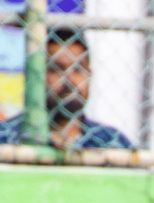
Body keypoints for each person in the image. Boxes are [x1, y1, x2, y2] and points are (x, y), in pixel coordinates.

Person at [0, 26, 133, 149]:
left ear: (89, 74)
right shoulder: (6, 137)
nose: (69, 80)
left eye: (78, 69)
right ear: (37, 76)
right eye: (57, 69)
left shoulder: (111, 142)